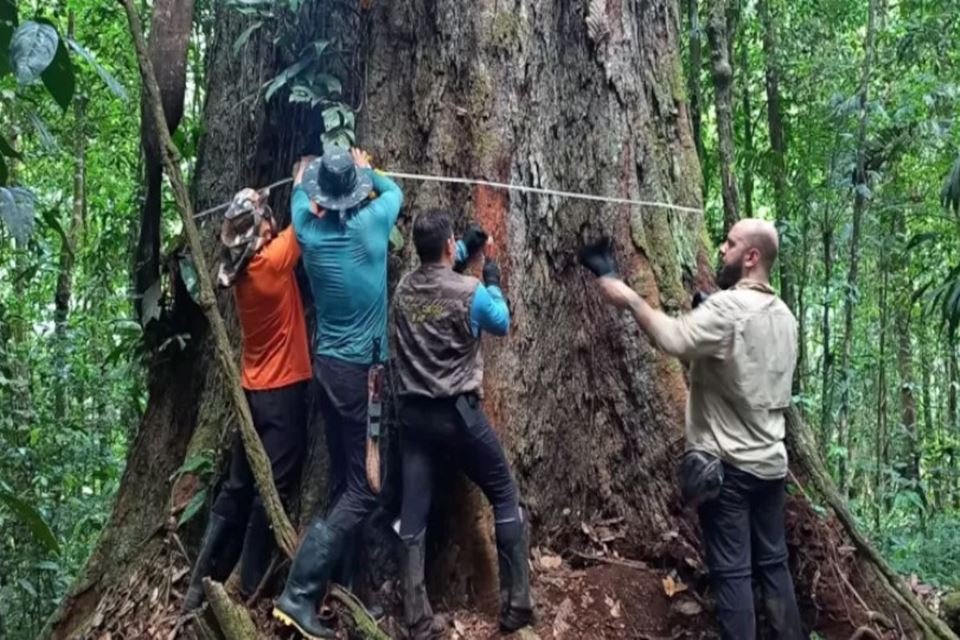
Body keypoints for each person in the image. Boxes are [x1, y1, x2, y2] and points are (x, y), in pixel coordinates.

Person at [582, 219, 804, 640]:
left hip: (730, 471)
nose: (722, 249)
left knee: (734, 575)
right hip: (772, 466)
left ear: (751, 257)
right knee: (774, 566)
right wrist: (709, 307)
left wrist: (626, 294)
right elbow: (738, 358)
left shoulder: (726, 311)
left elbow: (673, 339)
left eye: (731, 244)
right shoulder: (786, 317)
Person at [272, 148, 403, 639]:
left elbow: (298, 191)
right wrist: (365, 166)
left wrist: (314, 176)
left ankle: (342, 581)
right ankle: (299, 593)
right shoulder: (373, 224)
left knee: (345, 476)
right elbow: (395, 191)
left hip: (327, 368)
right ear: (355, 191)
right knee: (365, 486)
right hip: (362, 378)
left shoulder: (307, 229)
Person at [392, 209, 535, 639]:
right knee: (505, 494)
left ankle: (417, 618)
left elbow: (435, 291)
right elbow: (502, 321)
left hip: (414, 418)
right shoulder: (471, 291)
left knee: (412, 513)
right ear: (449, 245)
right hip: (458, 415)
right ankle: (517, 605)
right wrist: (490, 272)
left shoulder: (403, 289)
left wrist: (459, 256)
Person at [182, 187, 312, 612]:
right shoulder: (273, 262)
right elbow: (307, 218)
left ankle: (199, 586)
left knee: (238, 485)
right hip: (283, 393)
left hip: (252, 392)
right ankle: (248, 580)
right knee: (271, 486)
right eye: (263, 221)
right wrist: (303, 178)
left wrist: (248, 202)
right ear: (259, 235)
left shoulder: (239, 271)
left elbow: (262, 230)